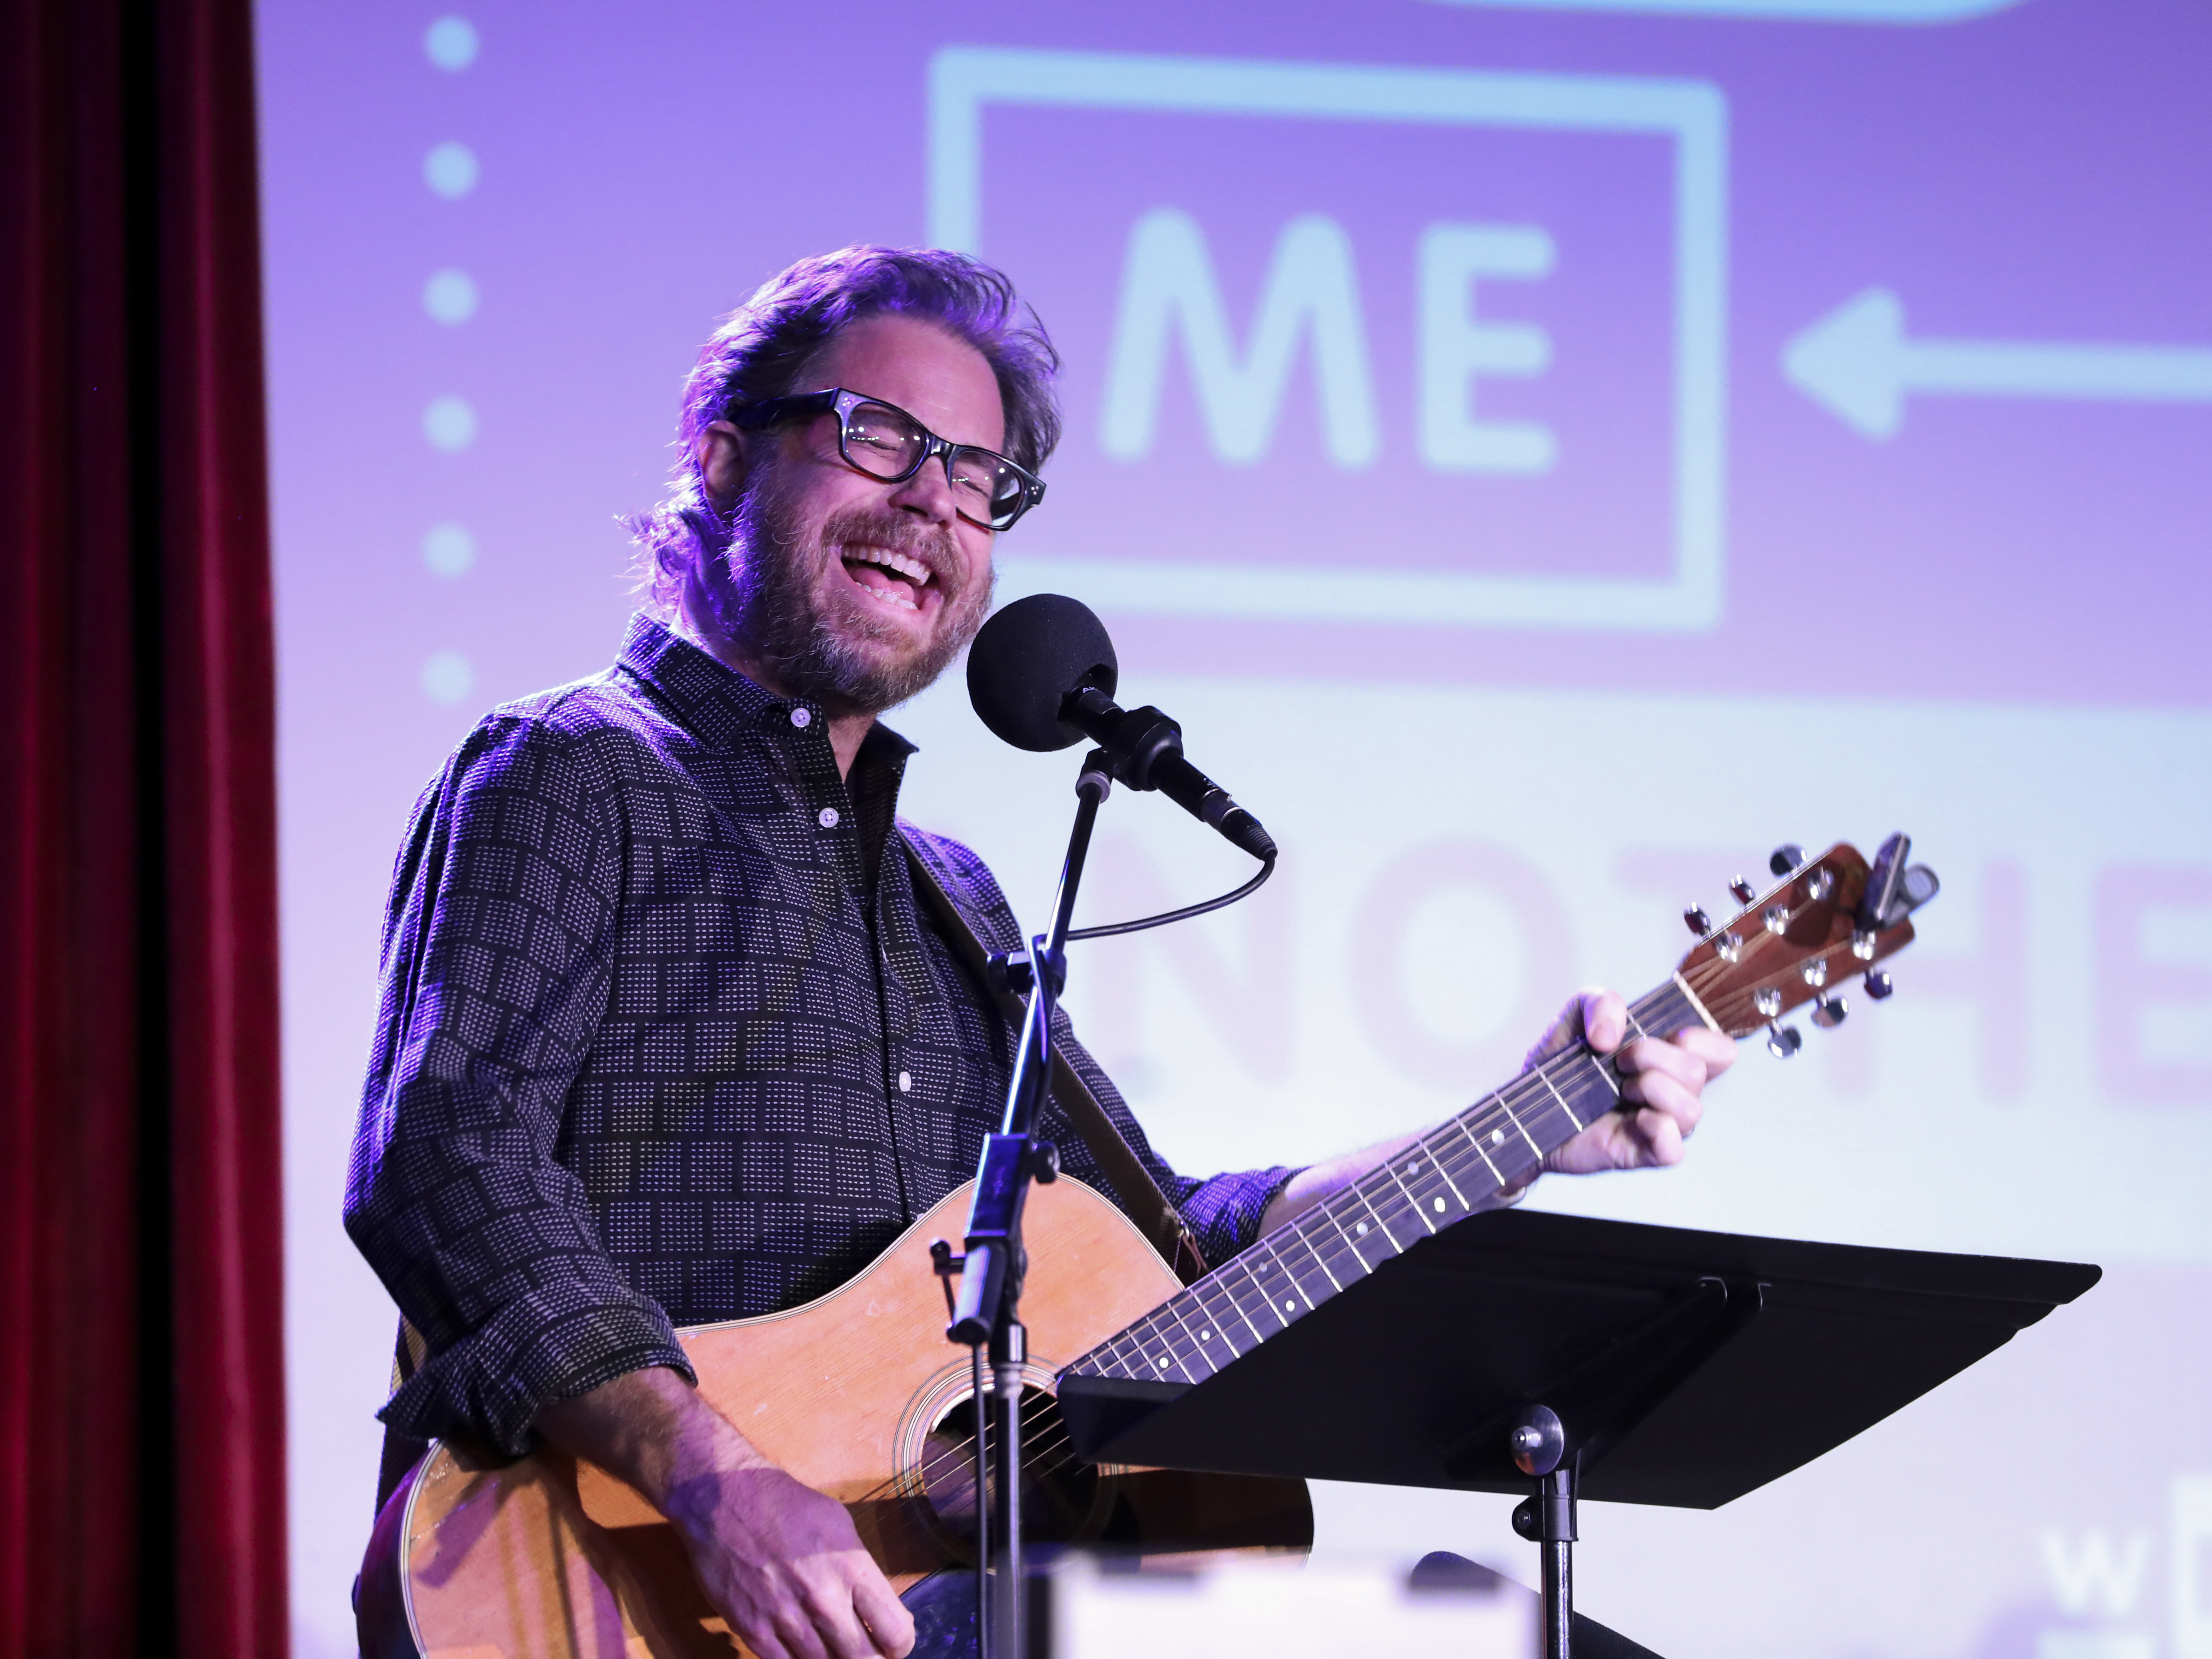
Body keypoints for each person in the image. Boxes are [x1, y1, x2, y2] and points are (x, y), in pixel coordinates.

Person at [344, 246, 1734, 1659]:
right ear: (718, 460)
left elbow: (1172, 1243)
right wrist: (722, 1485)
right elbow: (444, 1168)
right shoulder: (571, 772)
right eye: (876, 436)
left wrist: (1522, 1128)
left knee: (1503, 1632)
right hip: (620, 1591)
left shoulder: (950, 896)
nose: (928, 503)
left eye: (973, 476)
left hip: (965, 1615)